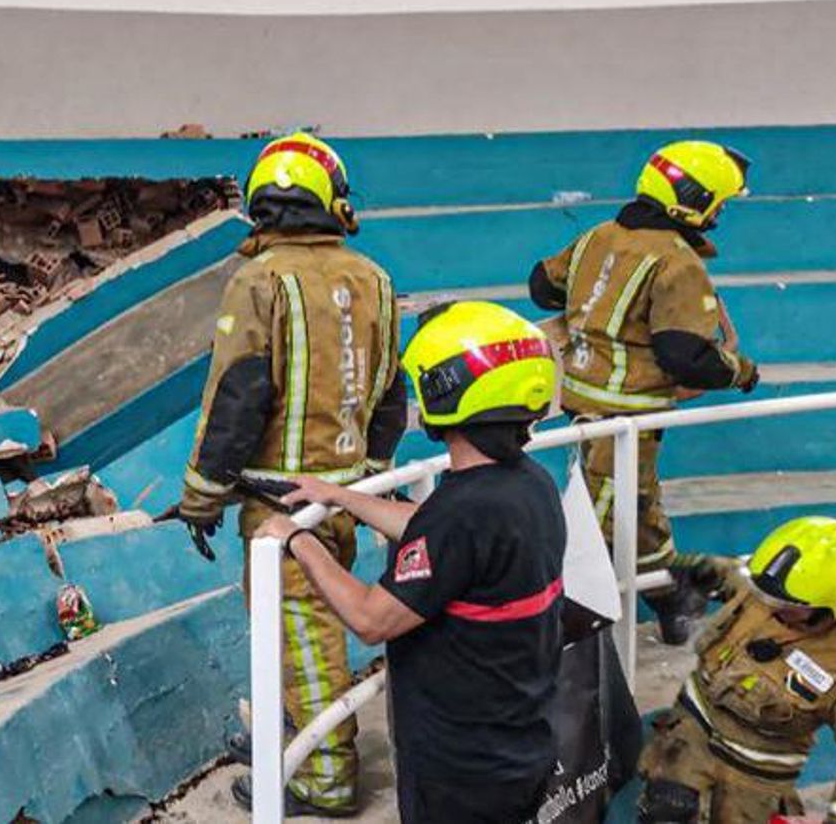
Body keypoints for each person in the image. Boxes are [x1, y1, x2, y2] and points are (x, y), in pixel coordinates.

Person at [254, 300, 566, 822]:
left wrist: (295, 541)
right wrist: (341, 496)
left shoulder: (464, 512)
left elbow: (371, 619)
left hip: (460, 770)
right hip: (517, 749)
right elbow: (437, 532)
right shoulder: (528, 485)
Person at [175, 131, 408, 816]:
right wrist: (373, 477)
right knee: (295, 625)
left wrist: (201, 495)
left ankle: (326, 774)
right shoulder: (374, 278)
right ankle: (291, 736)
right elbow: (391, 393)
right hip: (349, 489)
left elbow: (239, 392)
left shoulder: (260, 279)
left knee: (302, 628)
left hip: (279, 500)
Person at [528, 140, 760, 646]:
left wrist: (597, 295)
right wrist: (740, 370)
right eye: (717, 202)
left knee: (637, 504)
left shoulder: (599, 236)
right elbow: (685, 354)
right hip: (626, 413)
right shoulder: (678, 261)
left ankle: (673, 595)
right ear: (694, 200)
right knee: (599, 519)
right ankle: (558, 631)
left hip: (580, 396)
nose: (719, 214)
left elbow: (542, 285)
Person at [638, 516, 836, 823]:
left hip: (749, 789)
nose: (770, 607)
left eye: (787, 607)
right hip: (686, 743)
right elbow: (734, 574)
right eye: (765, 596)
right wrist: (696, 570)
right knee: (663, 812)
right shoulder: (770, 588)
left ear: (831, 607)